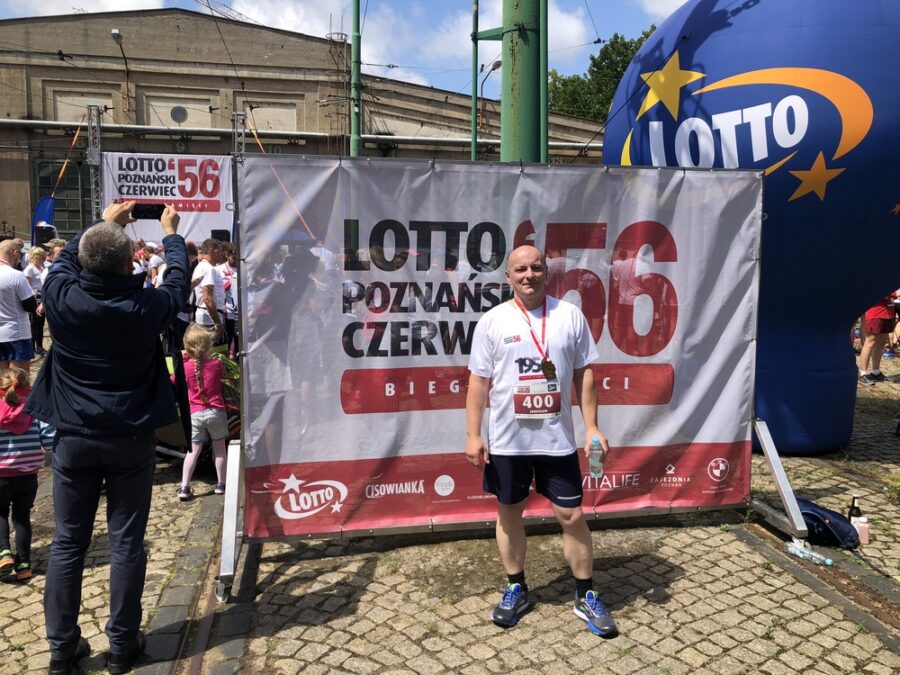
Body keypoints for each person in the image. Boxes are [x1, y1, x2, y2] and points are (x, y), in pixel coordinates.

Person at [25, 200, 188, 674]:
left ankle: (62, 649)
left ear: (82, 261)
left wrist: (103, 222)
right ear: (127, 263)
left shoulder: (61, 295)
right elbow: (177, 281)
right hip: (129, 436)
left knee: (68, 543)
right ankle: (122, 644)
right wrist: (171, 234)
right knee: (126, 542)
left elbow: (62, 260)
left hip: (73, 435)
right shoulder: (146, 306)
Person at [464, 245, 618, 638]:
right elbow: (478, 381)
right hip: (507, 442)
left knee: (572, 516)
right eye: (520, 269)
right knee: (509, 513)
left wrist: (592, 427)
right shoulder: (492, 321)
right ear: (508, 277)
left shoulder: (569, 315)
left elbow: (584, 373)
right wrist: (473, 434)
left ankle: (585, 594)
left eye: (535, 267)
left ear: (547, 273)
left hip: (557, 440)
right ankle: (516, 587)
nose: (528, 275)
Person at [0, 367, 54, 582]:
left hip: (1, 476)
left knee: (0, 513)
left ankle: (4, 552)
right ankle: (24, 565)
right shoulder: (34, 409)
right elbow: (48, 441)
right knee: (22, 518)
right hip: (28, 476)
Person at [175, 323, 228, 500]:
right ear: (209, 346)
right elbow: (223, 374)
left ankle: (184, 486)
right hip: (216, 411)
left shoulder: (184, 367)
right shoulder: (216, 364)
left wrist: (183, 359)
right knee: (219, 448)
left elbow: (174, 380)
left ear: (187, 347)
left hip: (195, 413)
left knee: (193, 451)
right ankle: (221, 484)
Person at [0, 238, 36, 375]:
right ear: (14, 253)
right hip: (16, 333)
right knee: (20, 378)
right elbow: (30, 305)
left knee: (3, 379)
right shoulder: (16, 275)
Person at [191, 239, 226, 344]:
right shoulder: (208, 269)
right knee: (215, 352)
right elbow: (207, 298)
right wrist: (218, 324)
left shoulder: (202, 266)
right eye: (220, 251)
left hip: (206, 316)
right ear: (211, 251)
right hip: (209, 319)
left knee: (207, 350)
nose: (222, 254)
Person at [859, 296, 895, 385]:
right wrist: (895, 293)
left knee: (881, 342)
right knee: (870, 342)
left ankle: (876, 372)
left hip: (888, 312)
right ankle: (863, 373)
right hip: (876, 313)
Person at [23, 246, 47, 356]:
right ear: (35, 257)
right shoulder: (29, 269)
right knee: (34, 324)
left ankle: (39, 346)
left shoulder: (42, 267)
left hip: (42, 297)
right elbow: (27, 286)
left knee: (40, 324)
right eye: (41, 256)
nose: (43, 258)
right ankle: (32, 347)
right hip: (35, 298)